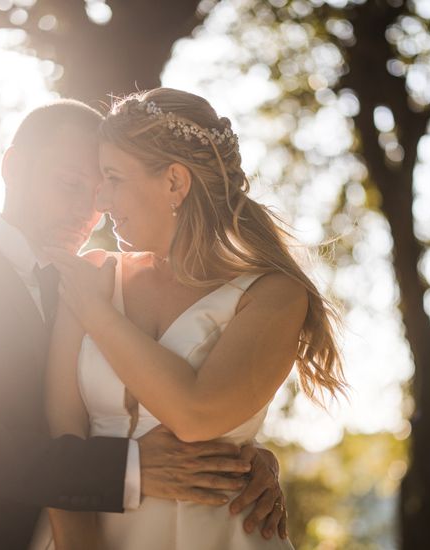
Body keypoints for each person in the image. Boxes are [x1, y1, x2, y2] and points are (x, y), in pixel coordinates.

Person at [0, 99, 287, 550]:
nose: (89, 212)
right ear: (13, 167)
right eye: (70, 184)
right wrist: (131, 469)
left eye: (100, 192)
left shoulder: (96, 285)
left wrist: (242, 458)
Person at [43, 88, 347, 550]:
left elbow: (195, 415)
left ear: (174, 183)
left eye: (113, 177)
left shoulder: (274, 295)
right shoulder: (93, 275)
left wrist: (96, 313)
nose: (100, 199)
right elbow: (60, 432)